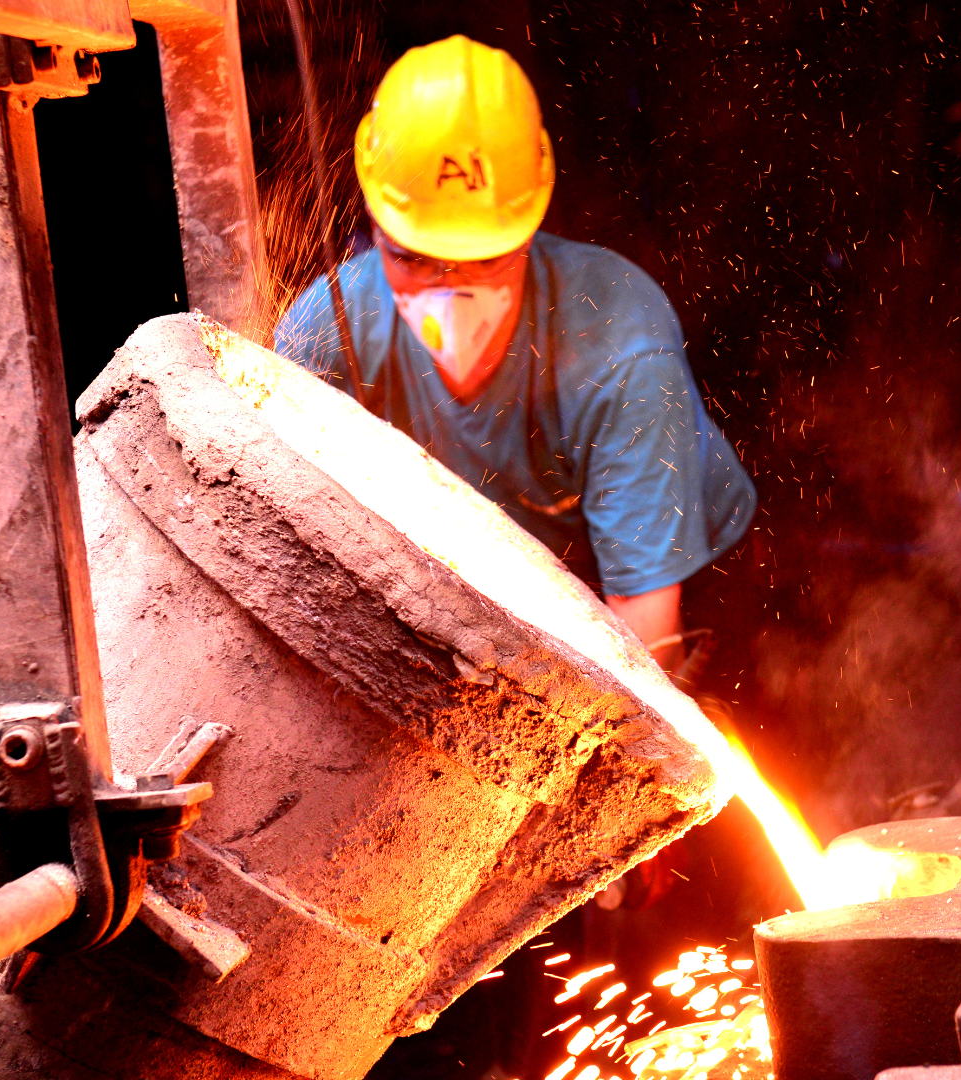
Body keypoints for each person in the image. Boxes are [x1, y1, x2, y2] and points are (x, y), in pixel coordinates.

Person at [273, 35, 755, 672]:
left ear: (531, 222)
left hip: (669, 578)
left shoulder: (620, 351)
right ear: (371, 221)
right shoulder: (327, 334)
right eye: (413, 258)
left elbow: (646, 650)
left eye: (483, 260)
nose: (450, 295)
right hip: (478, 591)